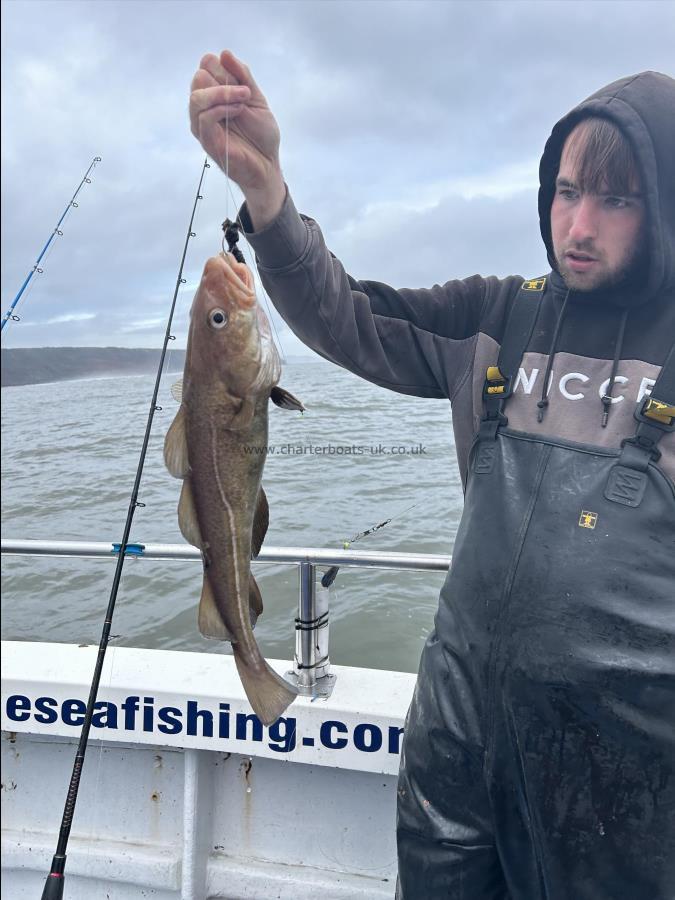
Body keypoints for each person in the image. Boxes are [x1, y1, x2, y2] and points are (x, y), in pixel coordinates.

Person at [189, 53, 675, 899]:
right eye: (565, 193)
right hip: (453, 750)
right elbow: (348, 315)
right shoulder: (500, 315)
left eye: (616, 199)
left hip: (626, 790)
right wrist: (267, 196)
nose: (579, 225)